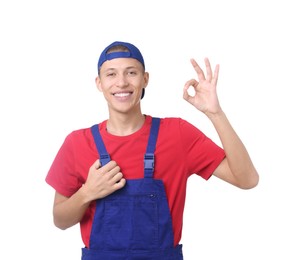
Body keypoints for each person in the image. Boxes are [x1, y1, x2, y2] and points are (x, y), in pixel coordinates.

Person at [46, 41, 259, 259]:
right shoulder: (77, 143)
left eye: (131, 72)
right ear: (99, 83)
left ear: (145, 79)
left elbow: (247, 179)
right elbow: (60, 220)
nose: (121, 82)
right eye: (111, 74)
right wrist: (87, 193)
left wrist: (215, 113)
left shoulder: (177, 134)